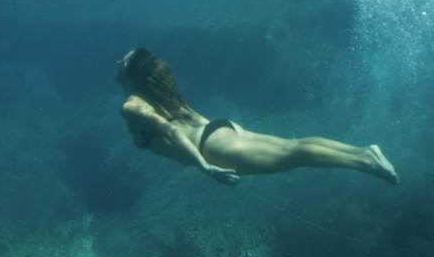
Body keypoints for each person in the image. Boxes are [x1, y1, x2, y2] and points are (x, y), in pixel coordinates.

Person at [116, 48, 398, 186]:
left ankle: (364, 163)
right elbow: (192, 121)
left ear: (132, 75)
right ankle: (365, 151)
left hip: (213, 149)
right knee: (293, 147)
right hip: (220, 131)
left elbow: (172, 133)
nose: (119, 63)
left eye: (124, 61)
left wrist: (205, 166)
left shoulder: (132, 106)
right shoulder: (162, 95)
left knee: (294, 156)